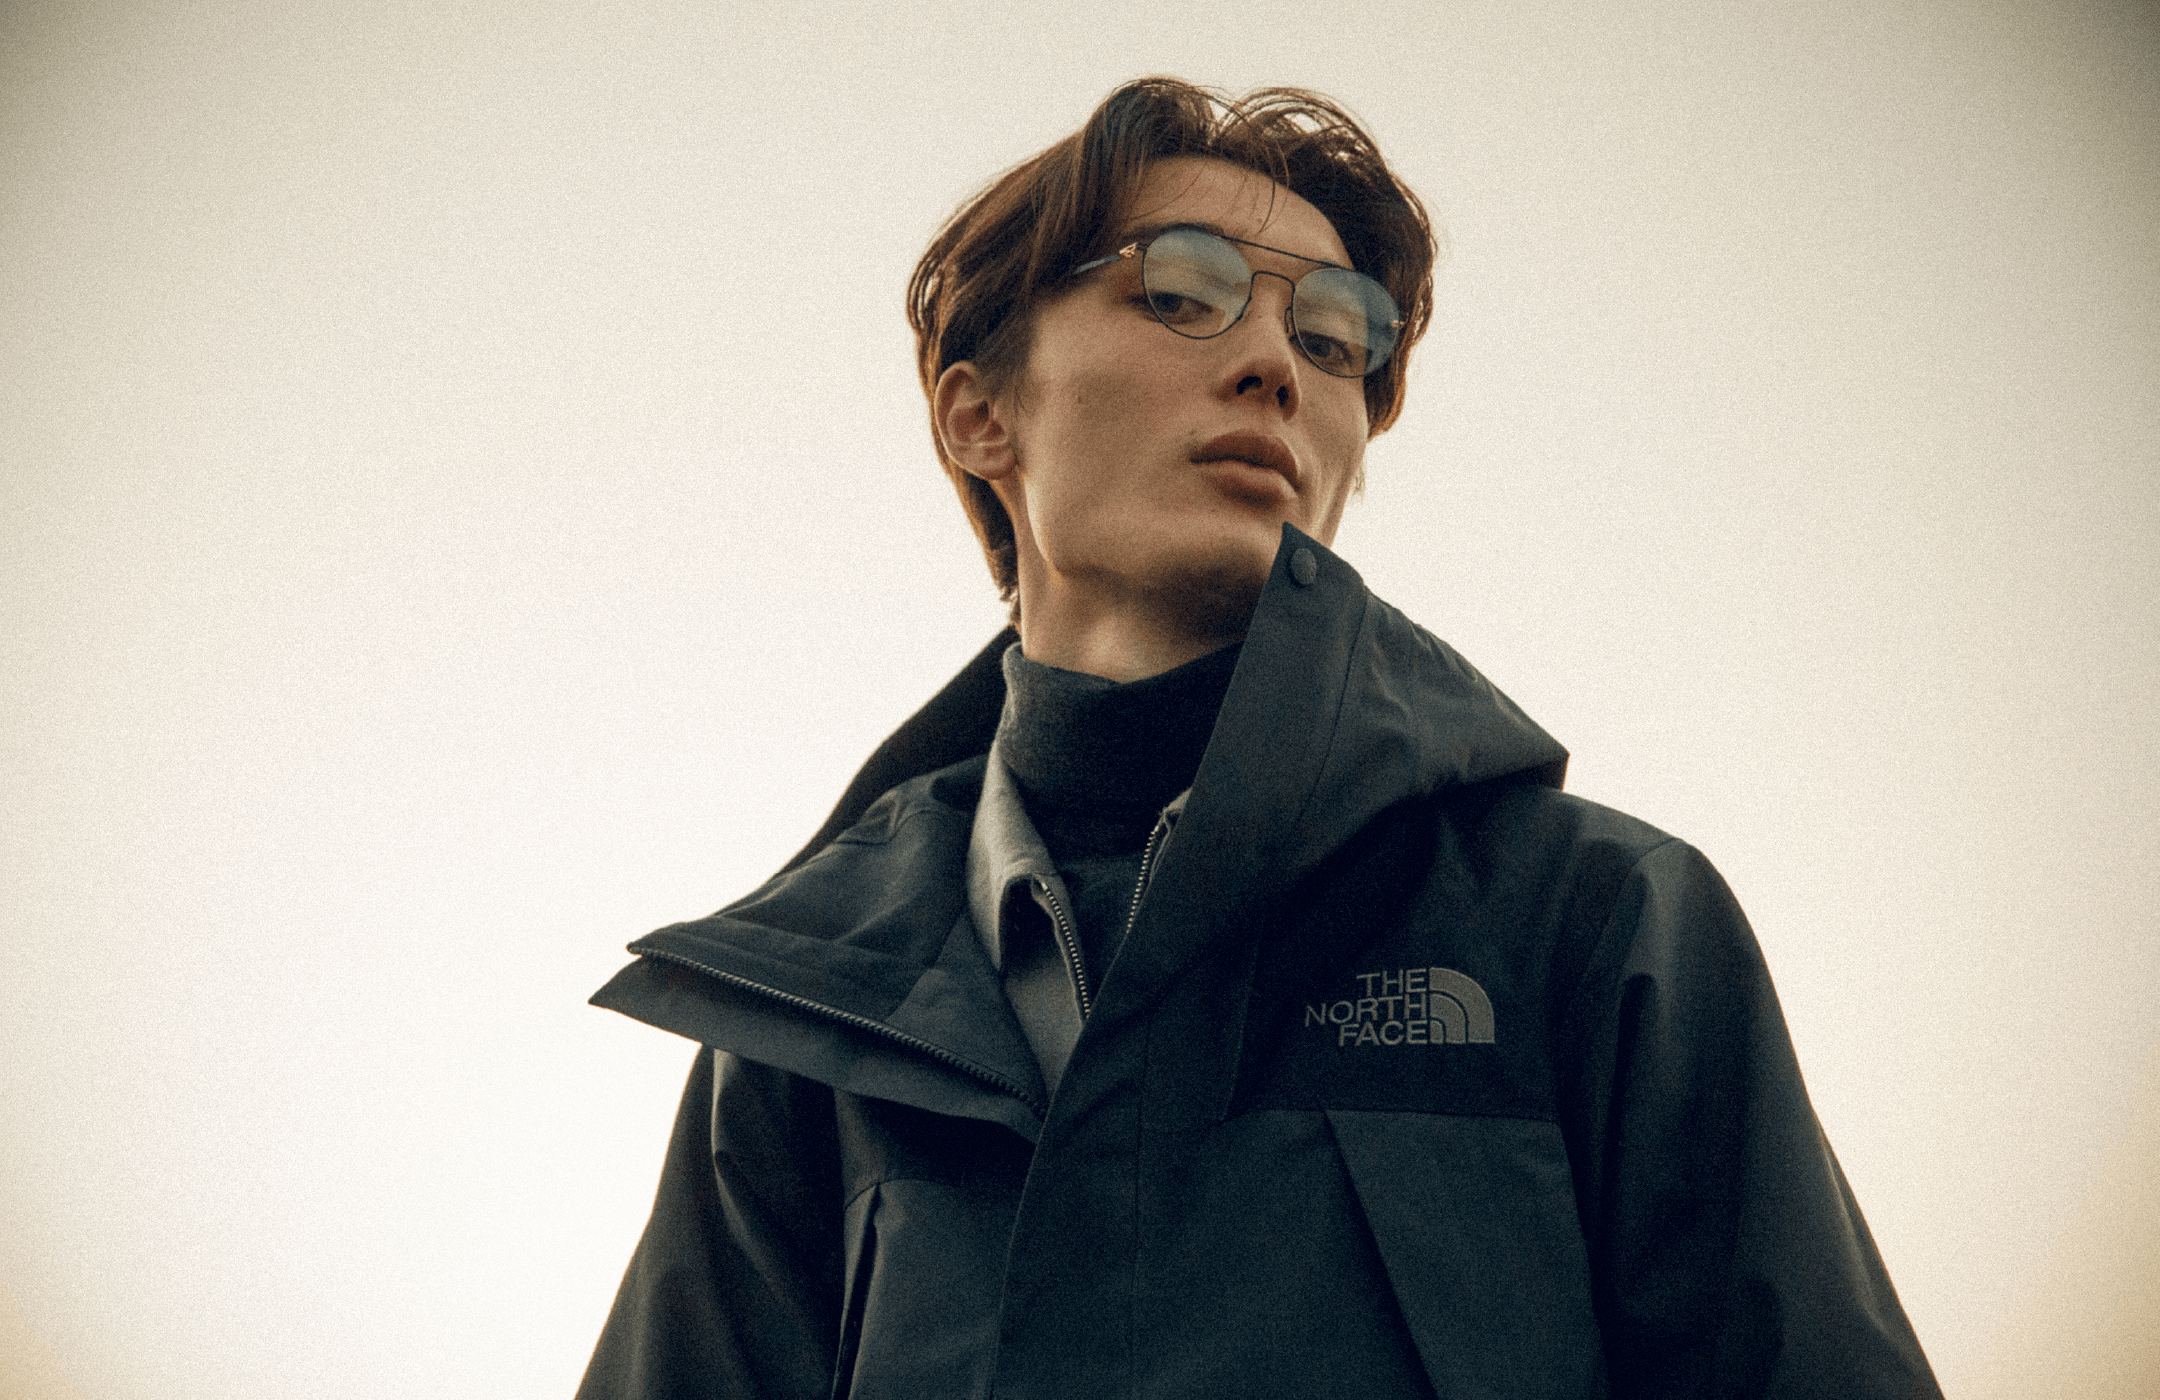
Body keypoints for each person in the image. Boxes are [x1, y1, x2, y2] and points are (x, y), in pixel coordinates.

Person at [576, 78, 1942, 1400]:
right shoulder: (807, 1035)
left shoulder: (1595, 923)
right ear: (980, 414)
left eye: (1339, 338)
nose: (1276, 366)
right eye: (1183, 291)